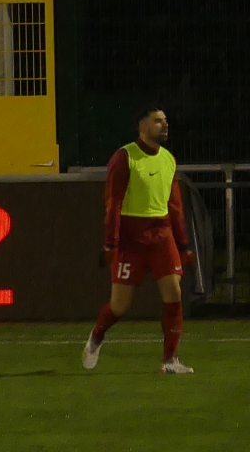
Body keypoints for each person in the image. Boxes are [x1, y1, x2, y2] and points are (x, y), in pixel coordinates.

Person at [81, 106, 195, 374]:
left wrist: (184, 244)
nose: (164, 125)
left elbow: (175, 205)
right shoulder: (125, 157)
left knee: (174, 294)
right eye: (158, 121)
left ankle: (169, 360)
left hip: (162, 235)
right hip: (132, 238)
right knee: (119, 306)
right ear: (142, 126)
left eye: (165, 120)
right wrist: (111, 242)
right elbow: (114, 202)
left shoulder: (168, 159)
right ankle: (97, 336)